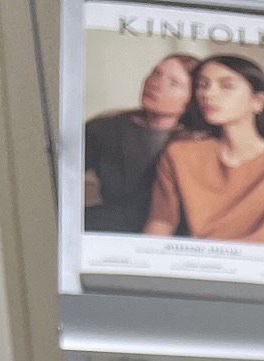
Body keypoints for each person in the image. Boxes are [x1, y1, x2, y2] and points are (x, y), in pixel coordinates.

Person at [144, 56, 264, 249]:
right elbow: (161, 222)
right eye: (202, 85)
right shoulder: (179, 155)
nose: (208, 94)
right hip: (209, 260)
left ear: (258, 102)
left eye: (227, 86)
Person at [83, 55, 199, 234]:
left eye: (173, 83)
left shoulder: (200, 143)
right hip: (110, 228)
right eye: (156, 73)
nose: (156, 84)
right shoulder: (105, 128)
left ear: (192, 100)